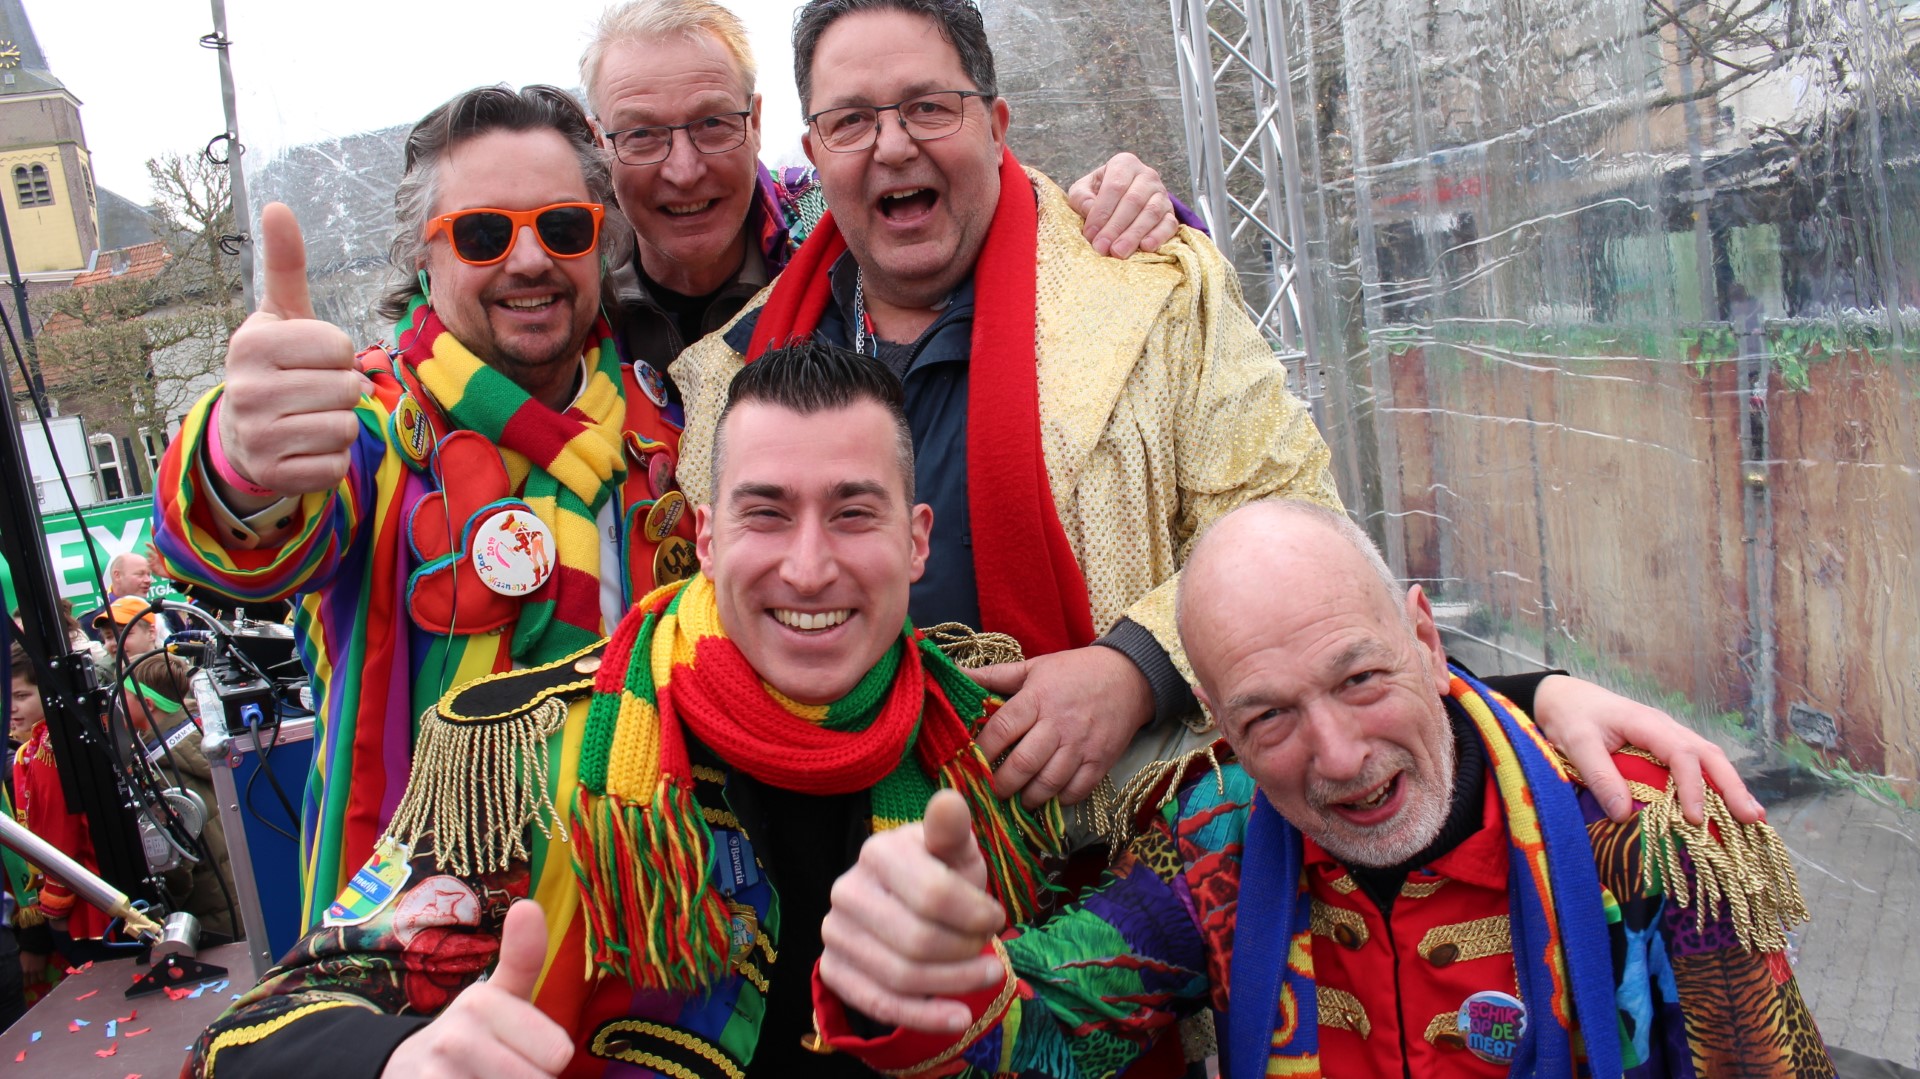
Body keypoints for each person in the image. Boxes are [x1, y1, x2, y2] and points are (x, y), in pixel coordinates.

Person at [673, 0, 1755, 828]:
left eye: (927, 107)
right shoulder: (727, 375)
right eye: (853, 120)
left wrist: (1137, 667)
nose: (893, 145)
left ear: (995, 124)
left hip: (1135, 856)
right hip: (830, 855)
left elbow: (1292, 515)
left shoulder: (1153, 287)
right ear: (815, 151)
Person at [184, 342, 1067, 1079]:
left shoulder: (986, 731)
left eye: (853, 514)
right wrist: (395, 1060)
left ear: (916, 540)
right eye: (766, 514)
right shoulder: (528, 752)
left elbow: (1101, 998)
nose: (807, 568)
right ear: (708, 538)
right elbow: (247, 1035)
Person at [812, 499, 1834, 1079]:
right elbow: (1049, 1029)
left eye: (1360, 679)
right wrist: (918, 972)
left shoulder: (1650, 833)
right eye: (1270, 717)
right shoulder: (1212, 836)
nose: (1338, 755)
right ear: (1221, 725)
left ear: (1425, 636)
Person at [580, 0, 1187, 376]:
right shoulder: (567, 267)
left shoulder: (828, 216)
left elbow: (982, 196)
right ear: (599, 140)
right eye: (642, 135)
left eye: (713, 123)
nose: (684, 169)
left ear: (757, 122)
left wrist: (1114, 210)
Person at [7, 644, 114, 975]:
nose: (11, 707)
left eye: (22, 695)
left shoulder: (50, 749)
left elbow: (59, 835)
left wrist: (55, 906)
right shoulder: (45, 739)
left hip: (84, 905)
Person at [120, 653, 241, 940]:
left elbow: (175, 870)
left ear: (148, 704)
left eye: (122, 698)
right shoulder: (203, 736)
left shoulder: (162, 773)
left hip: (210, 921)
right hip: (238, 902)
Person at [80, 551, 155, 642]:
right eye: (140, 574)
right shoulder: (88, 622)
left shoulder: (161, 611)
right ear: (117, 575)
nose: (148, 580)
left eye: (149, 574)